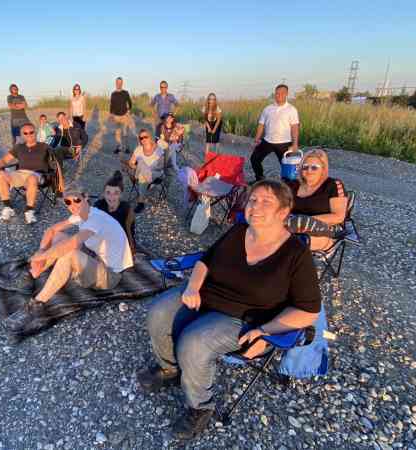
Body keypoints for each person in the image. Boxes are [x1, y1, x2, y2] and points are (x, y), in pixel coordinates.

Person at [137, 179, 321, 441]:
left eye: (266, 202)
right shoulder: (238, 232)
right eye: (253, 199)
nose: (255, 206)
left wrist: (264, 331)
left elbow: (308, 311)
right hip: (205, 296)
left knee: (194, 342)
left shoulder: (296, 255)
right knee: (159, 311)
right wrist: (192, 287)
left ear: (283, 213)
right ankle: (169, 369)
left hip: (247, 318)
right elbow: (206, 260)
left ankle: (200, 407)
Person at [20, 183, 134, 314]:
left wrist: (39, 257)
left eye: (77, 200)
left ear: (85, 197)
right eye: (68, 202)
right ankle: (34, 273)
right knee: (59, 236)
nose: (73, 205)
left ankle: (38, 302)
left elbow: (71, 245)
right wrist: (41, 250)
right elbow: (51, 230)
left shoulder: (95, 219)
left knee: (69, 253)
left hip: (111, 276)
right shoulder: (83, 214)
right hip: (96, 259)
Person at [284, 149, 347, 251]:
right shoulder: (293, 185)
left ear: (323, 169)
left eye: (314, 167)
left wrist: (303, 222)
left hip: (323, 231)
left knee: (294, 242)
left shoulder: (332, 185)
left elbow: (338, 217)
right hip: (291, 228)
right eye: (305, 167)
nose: (309, 170)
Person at [0, 123, 52, 224]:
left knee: (32, 178)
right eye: (25, 133)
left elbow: (56, 161)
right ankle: (8, 207)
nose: (29, 135)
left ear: (35, 132)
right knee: (0, 174)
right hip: (20, 174)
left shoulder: (44, 146)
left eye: (31, 132)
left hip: (38, 175)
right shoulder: (19, 147)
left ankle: (29, 211)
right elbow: (4, 160)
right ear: (22, 135)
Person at [250, 84, 299, 182]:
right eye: (277, 93)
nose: (279, 95)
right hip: (267, 141)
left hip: (284, 143)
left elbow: (295, 128)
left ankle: (288, 185)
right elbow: (261, 124)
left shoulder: (291, 109)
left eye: (282, 93)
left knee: (287, 165)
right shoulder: (267, 109)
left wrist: (295, 144)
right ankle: (259, 179)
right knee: (254, 159)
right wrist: (257, 138)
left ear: (286, 94)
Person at [93, 171, 137, 254]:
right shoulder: (99, 205)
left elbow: (129, 231)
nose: (111, 197)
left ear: (121, 195)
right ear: (103, 194)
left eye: (116, 193)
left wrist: (131, 248)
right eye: (108, 193)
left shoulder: (126, 209)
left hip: (120, 245)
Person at [126, 129, 165, 214]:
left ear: (150, 137)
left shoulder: (158, 149)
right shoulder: (138, 149)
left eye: (145, 137)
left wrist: (148, 169)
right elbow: (131, 163)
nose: (143, 139)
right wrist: (138, 167)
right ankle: (142, 199)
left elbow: (161, 166)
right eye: (141, 138)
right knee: (141, 166)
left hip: (156, 173)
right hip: (144, 174)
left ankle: (141, 203)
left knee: (141, 170)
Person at [108, 77, 135, 154]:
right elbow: (111, 105)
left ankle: (127, 148)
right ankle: (119, 147)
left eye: (120, 82)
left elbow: (130, 102)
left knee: (125, 132)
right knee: (117, 133)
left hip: (124, 116)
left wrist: (128, 110)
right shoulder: (113, 94)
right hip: (116, 116)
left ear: (122, 83)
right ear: (116, 83)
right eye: (117, 82)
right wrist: (111, 114)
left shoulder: (125, 93)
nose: (119, 84)